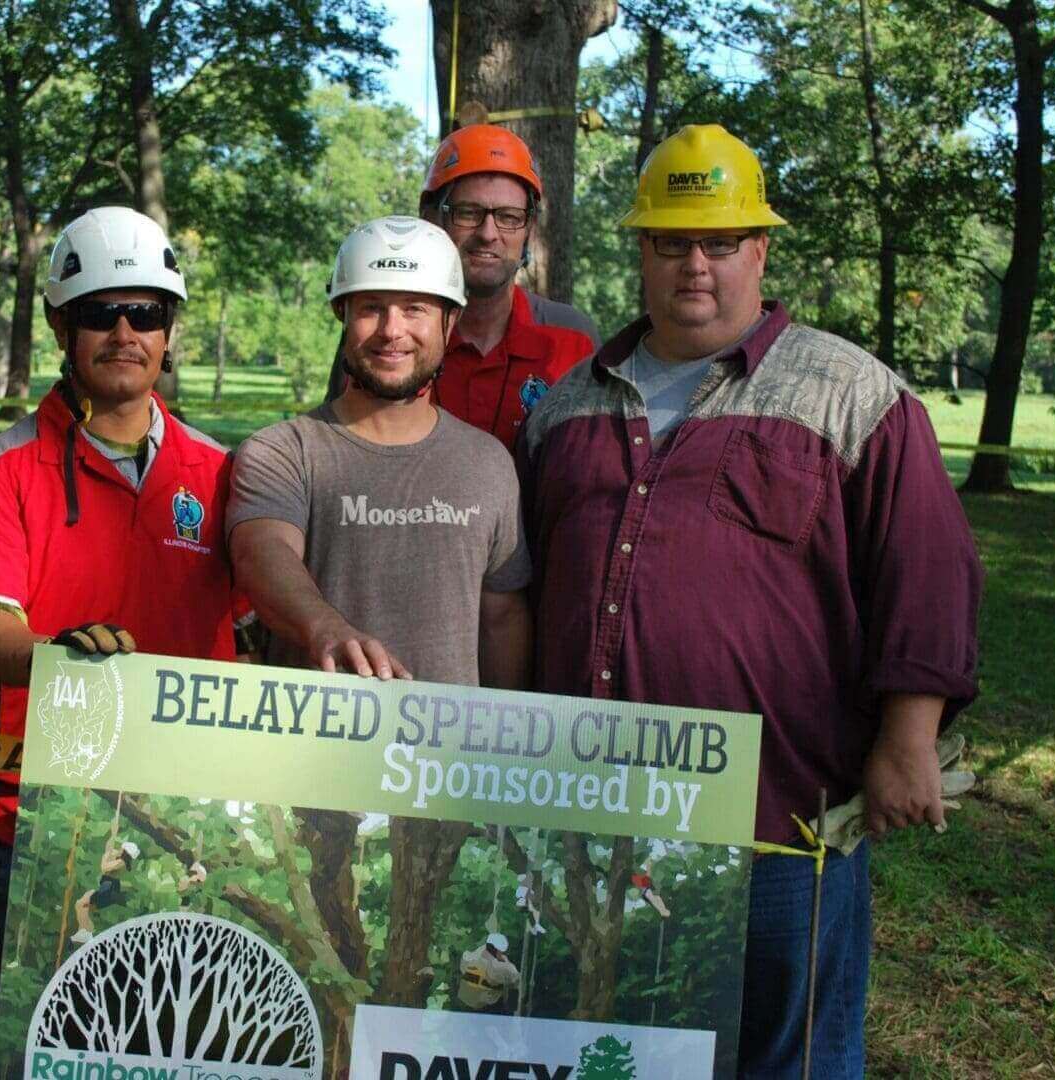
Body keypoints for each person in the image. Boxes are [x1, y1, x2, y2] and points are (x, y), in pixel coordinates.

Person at [514, 125, 982, 1078]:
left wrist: (908, 739)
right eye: (670, 242)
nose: (695, 265)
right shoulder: (565, 409)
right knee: (609, 1048)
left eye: (720, 243)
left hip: (778, 821)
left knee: (789, 1059)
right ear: (640, 250)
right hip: (591, 815)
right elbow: (519, 594)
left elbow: (926, 572)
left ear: (758, 252)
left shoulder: (850, 392)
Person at [0, 205, 254, 1080]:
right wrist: (55, 657)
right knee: (32, 1048)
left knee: (177, 1048)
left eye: (144, 312)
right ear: (59, 328)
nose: (123, 332)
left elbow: (259, 620)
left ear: (168, 330)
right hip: (41, 817)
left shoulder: (223, 472)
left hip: (187, 814)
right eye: (98, 312)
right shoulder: (1, 464)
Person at [229, 215, 531, 687]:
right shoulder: (283, 452)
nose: (392, 330)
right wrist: (323, 627)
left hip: (445, 737)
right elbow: (262, 555)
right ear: (342, 315)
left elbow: (502, 618)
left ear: (450, 321)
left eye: (415, 309)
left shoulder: (489, 463)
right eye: (372, 307)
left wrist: (505, 726)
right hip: (315, 732)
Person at [325, 124, 600, 444]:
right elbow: (341, 449)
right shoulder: (388, 337)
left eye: (509, 217)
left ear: (529, 227)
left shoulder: (573, 339)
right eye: (468, 213)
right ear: (429, 217)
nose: (488, 233)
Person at [71, 838, 142, 944]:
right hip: (106, 886)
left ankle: (86, 932)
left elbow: (104, 867)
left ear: (124, 852)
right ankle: (85, 931)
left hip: (109, 889)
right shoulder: (118, 859)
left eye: (121, 848)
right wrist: (112, 835)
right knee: (82, 903)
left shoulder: (120, 862)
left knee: (81, 904)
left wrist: (106, 856)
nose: (119, 849)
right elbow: (108, 848)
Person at [456, 932, 521, 1014]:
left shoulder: (468, 957)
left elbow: (463, 968)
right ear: (499, 950)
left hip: (463, 1002)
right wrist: (506, 961)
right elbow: (516, 978)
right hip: (485, 1008)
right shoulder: (500, 967)